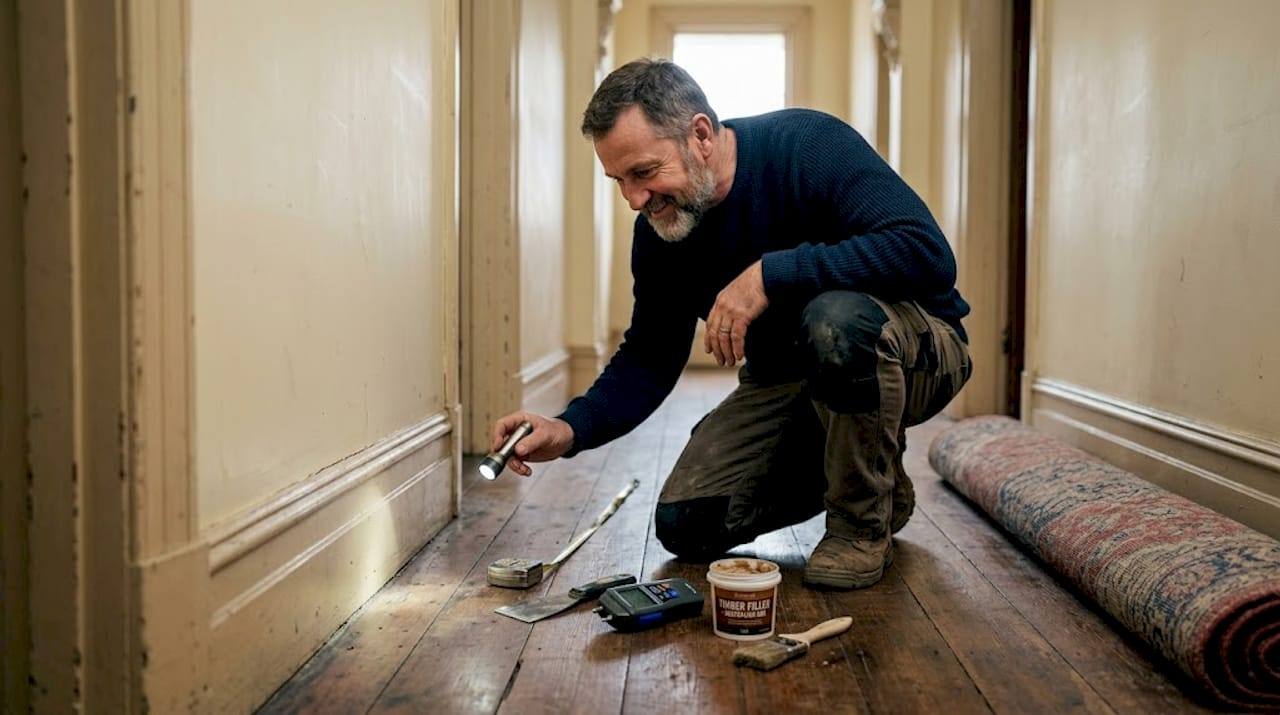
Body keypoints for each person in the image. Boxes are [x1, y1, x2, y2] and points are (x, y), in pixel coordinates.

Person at [488, 57, 972, 590]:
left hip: (916, 351)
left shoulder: (807, 145)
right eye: (619, 180)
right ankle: (876, 478)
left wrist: (770, 274)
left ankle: (860, 524)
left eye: (645, 173)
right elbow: (650, 356)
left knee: (835, 320)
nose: (634, 199)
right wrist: (569, 428)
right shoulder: (661, 232)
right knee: (687, 523)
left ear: (700, 135)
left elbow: (926, 252)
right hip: (790, 377)